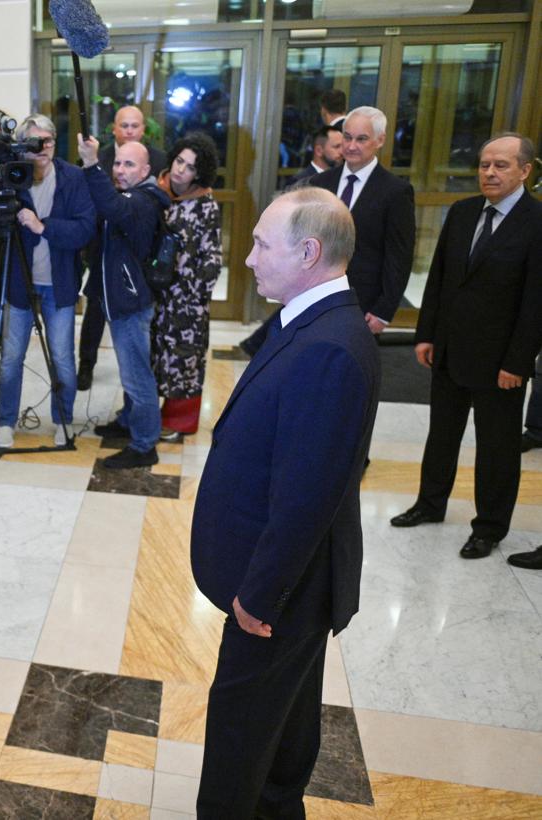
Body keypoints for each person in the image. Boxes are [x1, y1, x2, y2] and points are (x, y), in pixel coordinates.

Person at [192, 188, 380, 818]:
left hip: (275, 596)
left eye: (260, 245)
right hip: (282, 589)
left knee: (240, 736)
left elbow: (306, 497)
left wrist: (258, 597)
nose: (246, 260)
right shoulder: (310, 320)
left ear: (308, 251)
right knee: (285, 717)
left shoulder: (329, 348)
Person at [391, 133, 542, 566]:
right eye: (484, 165)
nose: (489, 173)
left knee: (497, 448)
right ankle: (429, 503)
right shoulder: (461, 213)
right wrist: (426, 334)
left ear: (525, 171)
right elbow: (438, 280)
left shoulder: (536, 223)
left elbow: (535, 304)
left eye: (501, 165)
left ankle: (490, 527)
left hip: (501, 363)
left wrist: (518, 362)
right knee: (442, 434)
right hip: (451, 351)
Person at [240, 106, 416, 356]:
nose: (352, 145)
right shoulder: (320, 183)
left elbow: (399, 258)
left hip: (361, 303)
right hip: (310, 295)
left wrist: (383, 311)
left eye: (361, 139)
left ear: (380, 140)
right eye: (347, 137)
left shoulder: (395, 192)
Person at [0, 114, 95, 450]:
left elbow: (85, 229)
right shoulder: (12, 176)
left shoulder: (72, 177)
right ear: (22, 146)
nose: (41, 149)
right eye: (34, 143)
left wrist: (44, 226)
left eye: (48, 142)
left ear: (55, 143)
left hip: (60, 285)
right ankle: (7, 421)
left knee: (63, 360)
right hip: (17, 284)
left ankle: (63, 420)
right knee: (10, 358)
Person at [77, 135, 168, 468]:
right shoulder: (131, 194)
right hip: (120, 298)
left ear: (146, 169)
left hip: (131, 302)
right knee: (131, 368)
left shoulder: (145, 200)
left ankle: (145, 445)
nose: (119, 169)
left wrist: (89, 165)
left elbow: (115, 210)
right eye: (116, 162)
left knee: (136, 375)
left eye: (129, 164)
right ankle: (128, 422)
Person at [78, 105, 167, 390]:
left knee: (134, 358)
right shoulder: (101, 155)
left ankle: (140, 427)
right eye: (124, 125)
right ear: (114, 129)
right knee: (95, 316)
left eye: (135, 126)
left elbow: (123, 207)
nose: (129, 131)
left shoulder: (153, 167)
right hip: (102, 252)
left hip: (133, 265)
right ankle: (86, 367)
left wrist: (93, 168)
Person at [152, 133, 224, 442]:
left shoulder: (206, 205)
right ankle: (144, 411)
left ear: (200, 172)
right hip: (155, 291)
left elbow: (212, 255)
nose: (181, 170)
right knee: (154, 353)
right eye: (179, 161)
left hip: (187, 298)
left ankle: (179, 421)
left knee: (184, 359)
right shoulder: (156, 191)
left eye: (191, 167)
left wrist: (192, 289)